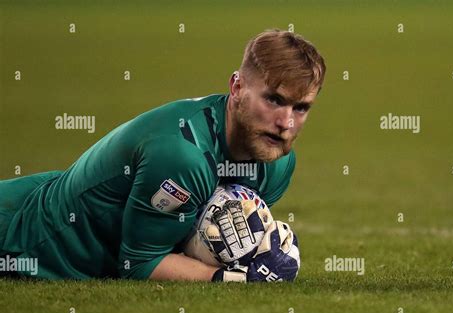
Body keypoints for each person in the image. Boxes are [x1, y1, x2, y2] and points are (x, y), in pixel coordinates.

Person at [0, 29, 326, 281]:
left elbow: (197, 236)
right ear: (237, 88)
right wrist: (239, 279)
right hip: (25, 238)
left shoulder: (277, 162)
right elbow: (140, 263)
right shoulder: (183, 154)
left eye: (301, 108)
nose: (286, 123)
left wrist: (263, 246)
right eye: (273, 100)